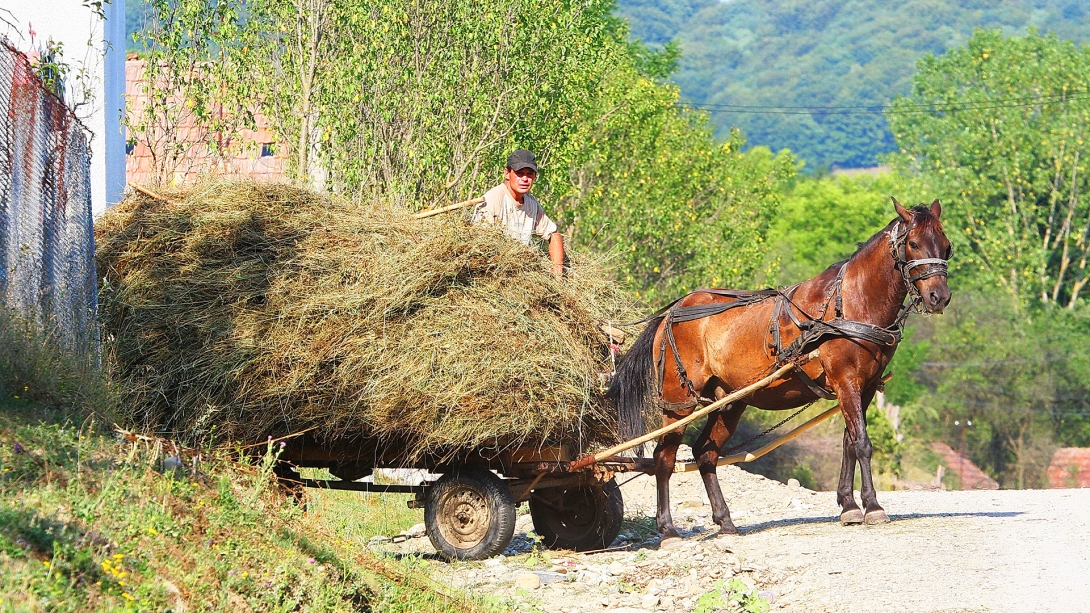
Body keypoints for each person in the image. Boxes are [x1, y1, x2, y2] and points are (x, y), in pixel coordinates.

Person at [472, 149, 565, 280]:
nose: (525, 179)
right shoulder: (492, 200)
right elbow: (479, 245)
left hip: (520, 273)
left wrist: (557, 268)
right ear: (507, 173)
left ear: (535, 177)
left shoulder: (531, 204)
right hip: (493, 273)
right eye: (519, 174)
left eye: (529, 174)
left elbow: (554, 235)